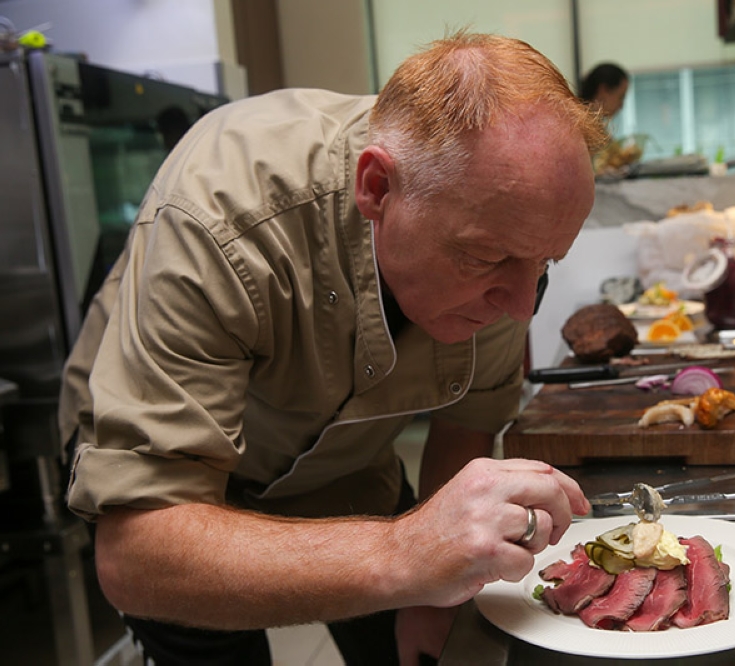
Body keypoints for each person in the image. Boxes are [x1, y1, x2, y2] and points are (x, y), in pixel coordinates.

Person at [58, 31, 607, 666]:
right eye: (486, 258)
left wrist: (432, 593)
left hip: (344, 465)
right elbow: (137, 554)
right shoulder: (225, 209)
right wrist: (407, 554)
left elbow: (466, 425)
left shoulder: (500, 220)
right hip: (176, 485)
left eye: (543, 265)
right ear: (376, 188)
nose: (518, 306)